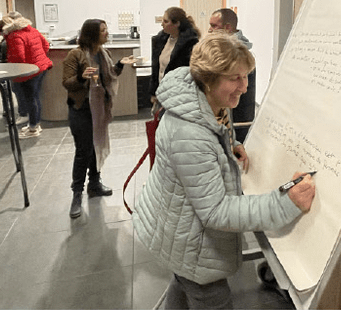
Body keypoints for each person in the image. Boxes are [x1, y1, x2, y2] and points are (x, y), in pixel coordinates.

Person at [133, 33, 316, 309]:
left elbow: (215, 127)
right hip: (191, 244)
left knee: (182, 283)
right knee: (207, 295)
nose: (244, 87)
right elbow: (216, 211)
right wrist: (285, 202)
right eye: (235, 78)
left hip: (176, 230)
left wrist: (230, 144)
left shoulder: (206, 99)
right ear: (208, 78)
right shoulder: (190, 135)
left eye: (246, 76)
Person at [62, 19, 136, 218]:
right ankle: (77, 193)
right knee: (83, 151)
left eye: (106, 29)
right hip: (81, 109)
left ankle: (94, 184)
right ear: (92, 33)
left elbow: (110, 75)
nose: (107, 33)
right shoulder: (75, 55)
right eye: (103, 30)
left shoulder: (104, 54)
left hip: (99, 108)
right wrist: (81, 78)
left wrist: (120, 64)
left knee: (97, 145)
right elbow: (67, 83)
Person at [208, 8, 256, 143]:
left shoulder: (238, 55)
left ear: (228, 28)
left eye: (214, 26)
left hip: (235, 122)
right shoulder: (225, 50)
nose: (209, 30)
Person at [1, 15, 53, 138]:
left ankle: (33, 128)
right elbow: (46, 45)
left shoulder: (14, 35)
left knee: (30, 99)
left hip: (28, 71)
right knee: (35, 97)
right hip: (40, 67)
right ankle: (34, 124)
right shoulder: (32, 30)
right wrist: (37, 58)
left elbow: (19, 57)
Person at [148, 7, 200, 107]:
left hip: (179, 96)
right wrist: (153, 92)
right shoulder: (161, 40)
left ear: (177, 24)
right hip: (161, 91)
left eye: (165, 21)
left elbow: (190, 74)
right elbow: (156, 69)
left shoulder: (190, 44)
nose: (161, 24)